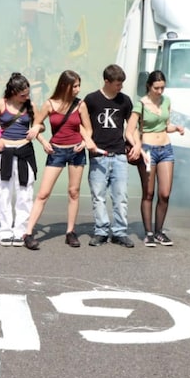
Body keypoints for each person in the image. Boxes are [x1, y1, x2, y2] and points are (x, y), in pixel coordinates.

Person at [22, 70, 88, 249]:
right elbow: (37, 124)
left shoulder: (80, 105)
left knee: (73, 192)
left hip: (76, 151)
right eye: (75, 86)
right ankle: (28, 233)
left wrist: (84, 141)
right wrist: (43, 141)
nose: (78, 89)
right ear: (65, 86)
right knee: (43, 193)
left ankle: (70, 232)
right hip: (56, 151)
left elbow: (88, 130)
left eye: (78, 85)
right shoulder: (50, 104)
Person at [0, 73, 46, 247]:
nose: (26, 97)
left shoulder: (31, 105)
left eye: (28, 93)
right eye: (22, 95)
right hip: (5, 153)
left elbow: (41, 124)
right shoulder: (1, 104)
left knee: (25, 193)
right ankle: (5, 230)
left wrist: (35, 128)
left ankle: (21, 231)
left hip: (24, 151)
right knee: (4, 193)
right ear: (12, 92)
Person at [81, 64, 139, 248]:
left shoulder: (125, 101)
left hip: (120, 154)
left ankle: (120, 232)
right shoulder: (91, 99)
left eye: (122, 84)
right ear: (106, 81)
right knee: (98, 196)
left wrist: (136, 145)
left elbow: (132, 127)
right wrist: (88, 142)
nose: (120, 87)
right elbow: (80, 123)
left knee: (120, 196)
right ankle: (101, 231)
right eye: (117, 84)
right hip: (98, 155)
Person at [126, 70, 185, 247]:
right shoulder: (141, 104)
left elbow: (165, 126)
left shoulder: (166, 101)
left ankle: (160, 231)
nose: (160, 91)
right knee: (149, 192)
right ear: (149, 86)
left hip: (166, 148)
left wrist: (177, 128)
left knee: (165, 193)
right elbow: (129, 130)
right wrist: (137, 146)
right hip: (148, 150)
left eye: (162, 88)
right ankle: (149, 232)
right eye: (156, 88)